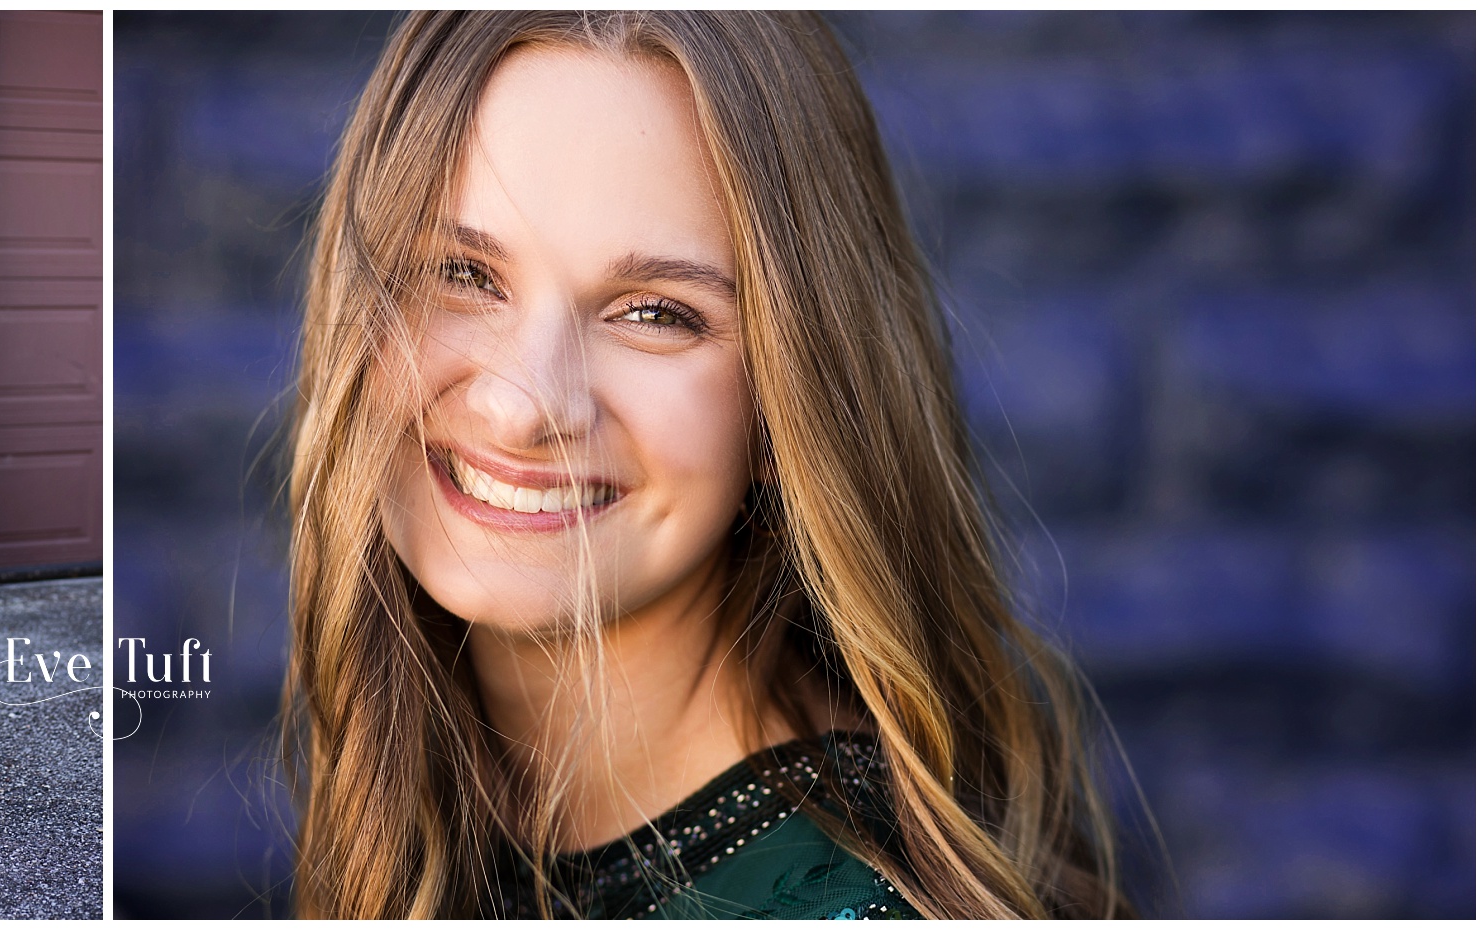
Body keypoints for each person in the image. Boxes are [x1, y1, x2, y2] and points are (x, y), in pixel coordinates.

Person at [281, 11, 1132, 918]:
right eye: (464, 273)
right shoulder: (442, 799)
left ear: (786, 402)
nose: (522, 408)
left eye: (655, 314)